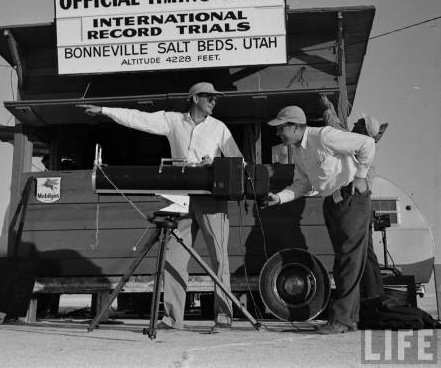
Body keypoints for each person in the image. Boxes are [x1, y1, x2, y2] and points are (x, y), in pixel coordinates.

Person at [77, 82, 243, 332]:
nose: (214, 101)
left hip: (212, 198)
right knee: (173, 257)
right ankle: (173, 319)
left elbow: (238, 162)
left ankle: (223, 316)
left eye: (215, 98)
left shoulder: (220, 128)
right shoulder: (173, 121)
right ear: (195, 98)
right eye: (210, 97)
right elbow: (138, 118)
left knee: (219, 258)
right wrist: (103, 110)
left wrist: (216, 162)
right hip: (179, 197)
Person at [263, 105, 376, 334]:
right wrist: (280, 198)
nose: (278, 134)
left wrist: (361, 176)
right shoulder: (298, 151)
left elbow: (368, 144)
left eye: (281, 128)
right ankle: (349, 319)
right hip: (332, 204)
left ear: (296, 127)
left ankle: (342, 320)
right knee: (345, 260)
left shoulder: (324, 136)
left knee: (348, 260)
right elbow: (302, 184)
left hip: (350, 199)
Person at [318, 94, 386, 299]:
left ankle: (369, 298)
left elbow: (337, 130)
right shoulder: (363, 148)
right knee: (365, 254)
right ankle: (372, 296)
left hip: (354, 209)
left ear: (364, 131)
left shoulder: (357, 146)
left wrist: (328, 108)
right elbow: (340, 128)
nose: (355, 123)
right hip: (359, 210)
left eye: (359, 123)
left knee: (356, 254)